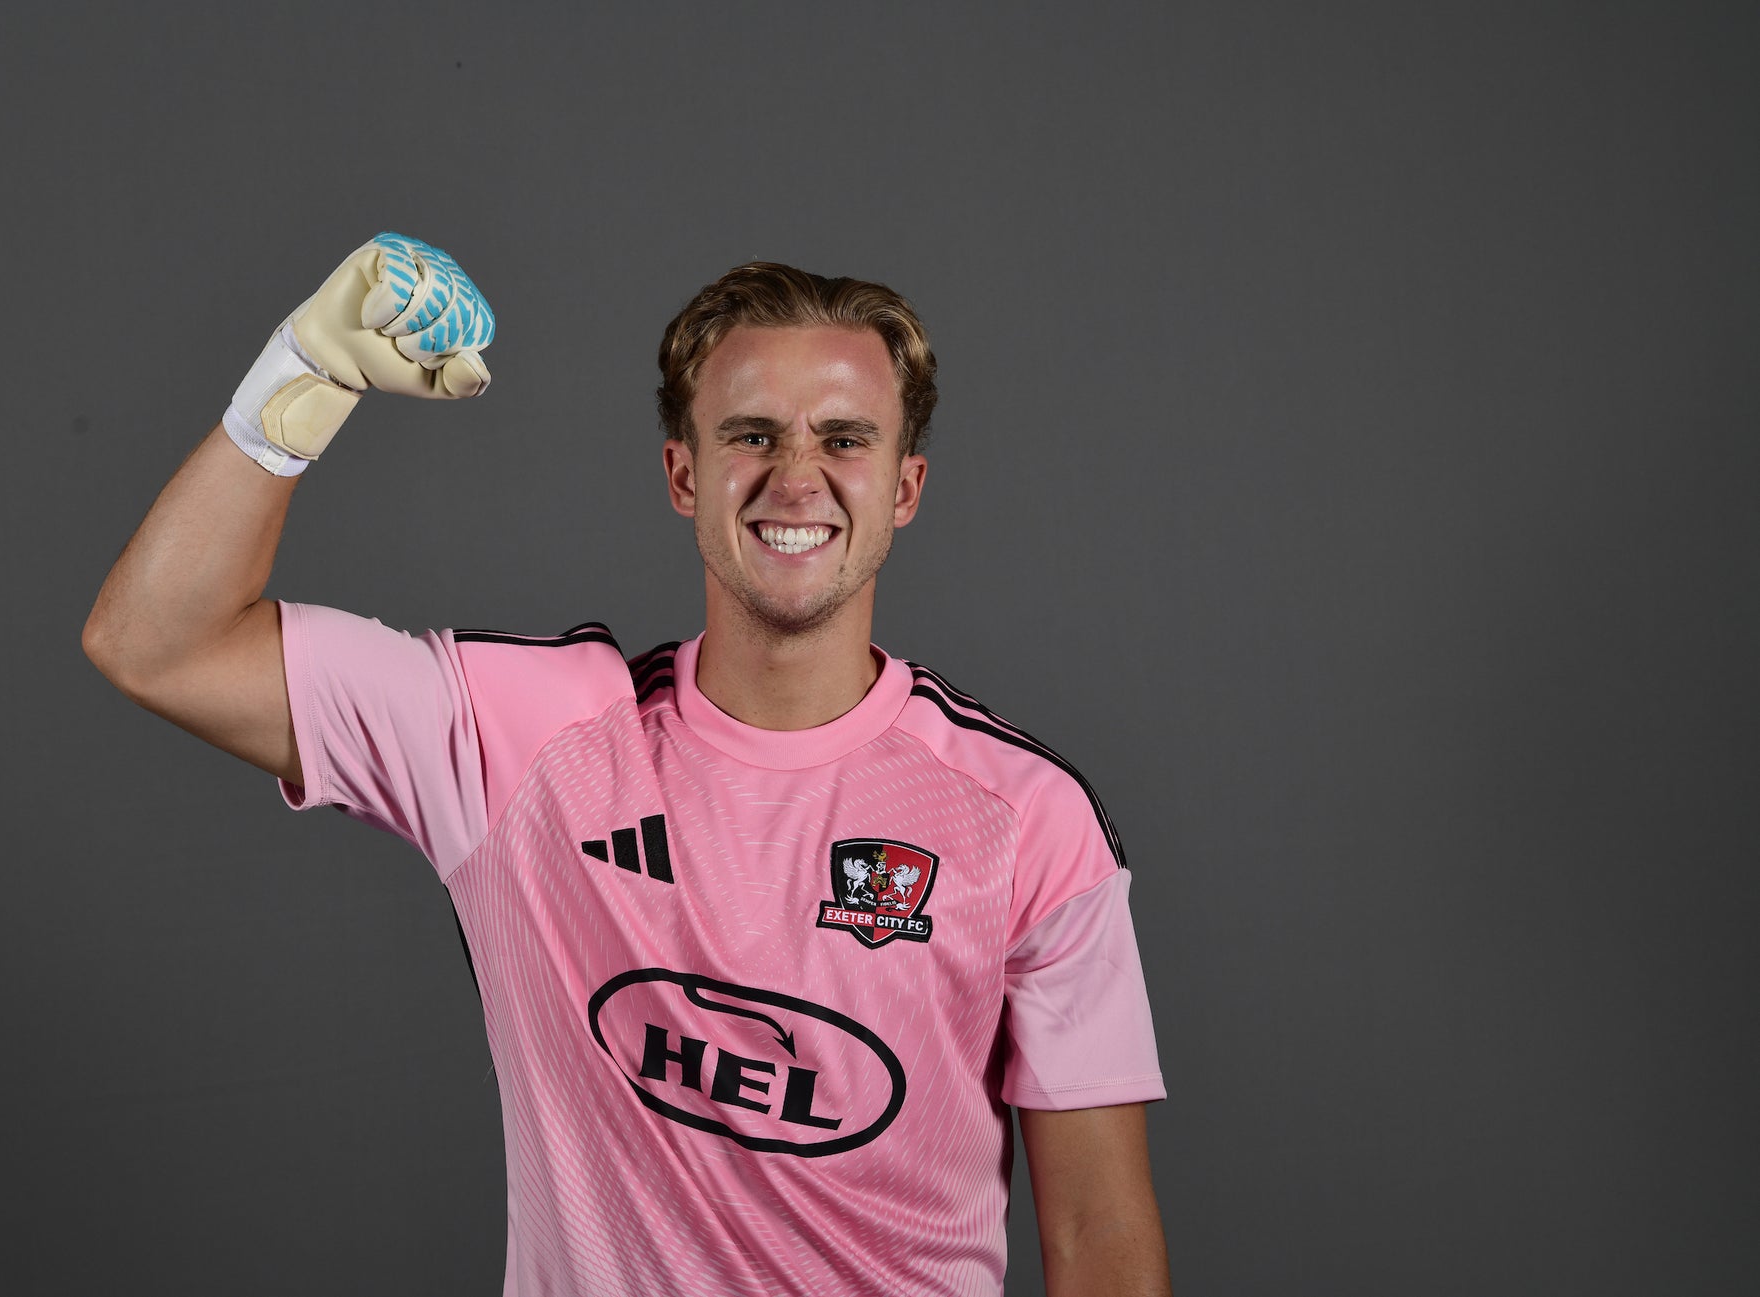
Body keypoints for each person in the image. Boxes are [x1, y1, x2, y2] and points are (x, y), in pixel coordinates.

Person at [84, 232, 1171, 1296]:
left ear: (904, 488)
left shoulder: (1025, 818)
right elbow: (155, 642)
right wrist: (306, 372)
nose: (797, 478)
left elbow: (1098, 1231)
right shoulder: (525, 741)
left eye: (844, 439)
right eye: (751, 434)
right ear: (681, 474)